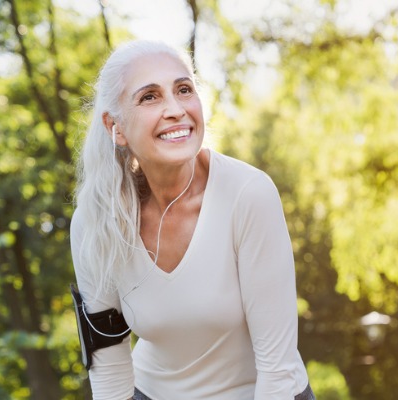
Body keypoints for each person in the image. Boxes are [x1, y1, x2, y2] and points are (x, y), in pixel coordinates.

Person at [70, 39, 313, 400]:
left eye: (184, 90)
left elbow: (276, 370)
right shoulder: (95, 222)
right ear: (115, 127)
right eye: (149, 97)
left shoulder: (249, 195)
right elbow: (109, 369)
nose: (175, 110)